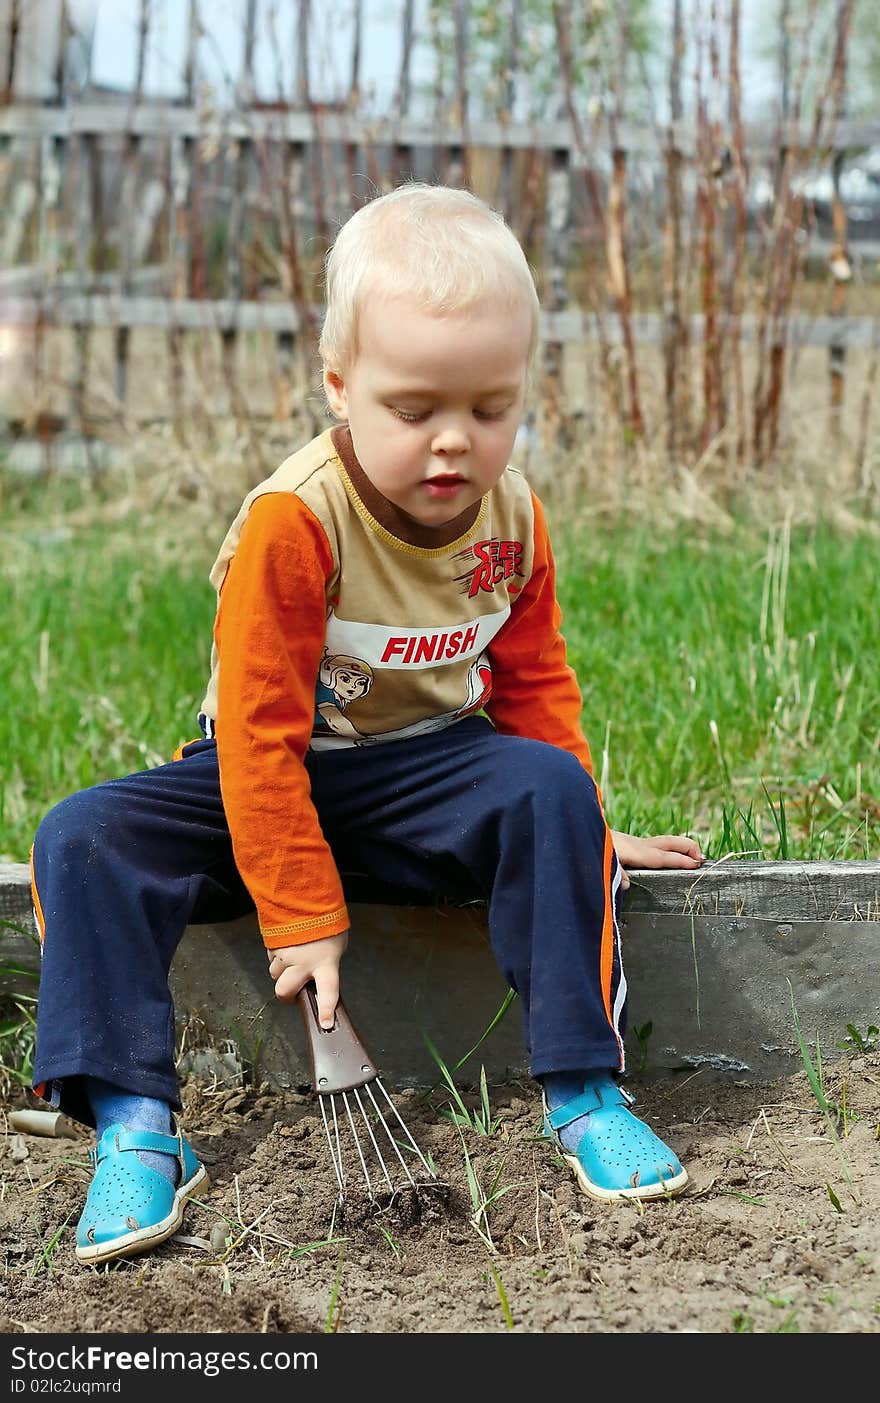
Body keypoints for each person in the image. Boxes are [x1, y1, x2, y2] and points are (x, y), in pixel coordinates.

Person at [30, 182, 704, 1267]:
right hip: (267, 773)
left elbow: (532, 685)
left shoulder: (514, 516)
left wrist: (583, 826)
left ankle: (583, 1085)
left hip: (426, 771)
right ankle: (135, 1124)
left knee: (546, 787)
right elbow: (255, 735)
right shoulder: (294, 521)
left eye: (489, 410)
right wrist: (298, 913)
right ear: (340, 385)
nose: (453, 445)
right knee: (81, 837)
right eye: (413, 409)